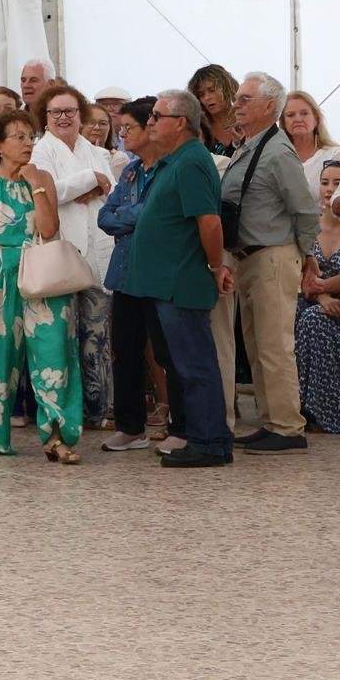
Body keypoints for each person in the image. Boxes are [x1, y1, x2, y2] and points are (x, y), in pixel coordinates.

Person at [0, 109, 80, 461]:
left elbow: (49, 229)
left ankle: (57, 437)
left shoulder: (43, 178)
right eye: (18, 136)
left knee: (52, 355)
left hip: (40, 272)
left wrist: (35, 181)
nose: (27, 142)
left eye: (29, 135)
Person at [126, 89, 235, 467]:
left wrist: (214, 266)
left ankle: (209, 443)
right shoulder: (176, 161)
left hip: (181, 282)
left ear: (181, 123)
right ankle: (208, 438)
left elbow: (209, 221)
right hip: (166, 282)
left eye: (157, 116)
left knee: (195, 365)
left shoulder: (191, 162)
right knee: (187, 364)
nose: (150, 121)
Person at [214, 71, 316, 454]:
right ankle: (272, 420)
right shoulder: (251, 146)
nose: (235, 106)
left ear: (268, 107)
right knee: (257, 345)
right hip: (250, 258)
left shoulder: (277, 151)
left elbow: (305, 209)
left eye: (244, 100)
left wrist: (308, 258)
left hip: (273, 256)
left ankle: (288, 427)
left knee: (274, 344)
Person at [28, 83, 116, 429]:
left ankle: (100, 409)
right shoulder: (40, 152)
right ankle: (66, 410)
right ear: (45, 117)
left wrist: (85, 184)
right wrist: (88, 181)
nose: (64, 118)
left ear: (81, 115)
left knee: (98, 334)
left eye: (70, 112)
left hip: (97, 251)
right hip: (61, 253)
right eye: (56, 112)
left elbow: (110, 191)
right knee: (63, 336)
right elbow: (48, 192)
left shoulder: (97, 151)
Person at [98, 98, 180, 453]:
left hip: (160, 273)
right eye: (120, 130)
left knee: (167, 352)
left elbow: (158, 215)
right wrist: (137, 217)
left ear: (151, 126)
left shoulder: (171, 168)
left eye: (128, 128)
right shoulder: (130, 171)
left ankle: (182, 426)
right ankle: (131, 427)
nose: (122, 135)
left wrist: (131, 217)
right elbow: (105, 216)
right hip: (125, 272)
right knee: (124, 350)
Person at [295, 159, 340, 434]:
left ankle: (328, 415)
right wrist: (321, 296)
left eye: (337, 183)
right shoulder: (308, 226)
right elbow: (299, 272)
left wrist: (317, 288)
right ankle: (295, 408)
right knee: (303, 313)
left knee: (315, 320)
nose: (329, 189)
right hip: (311, 299)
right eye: (325, 182)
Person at [282, 90, 340, 188]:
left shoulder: (333, 155)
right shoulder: (277, 156)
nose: (298, 119)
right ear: (283, 122)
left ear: (316, 119)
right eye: (290, 115)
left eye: (304, 113)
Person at [188, 64, 240, 157]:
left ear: (227, 88)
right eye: (201, 94)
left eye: (212, 90)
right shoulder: (199, 129)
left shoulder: (246, 120)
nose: (207, 98)